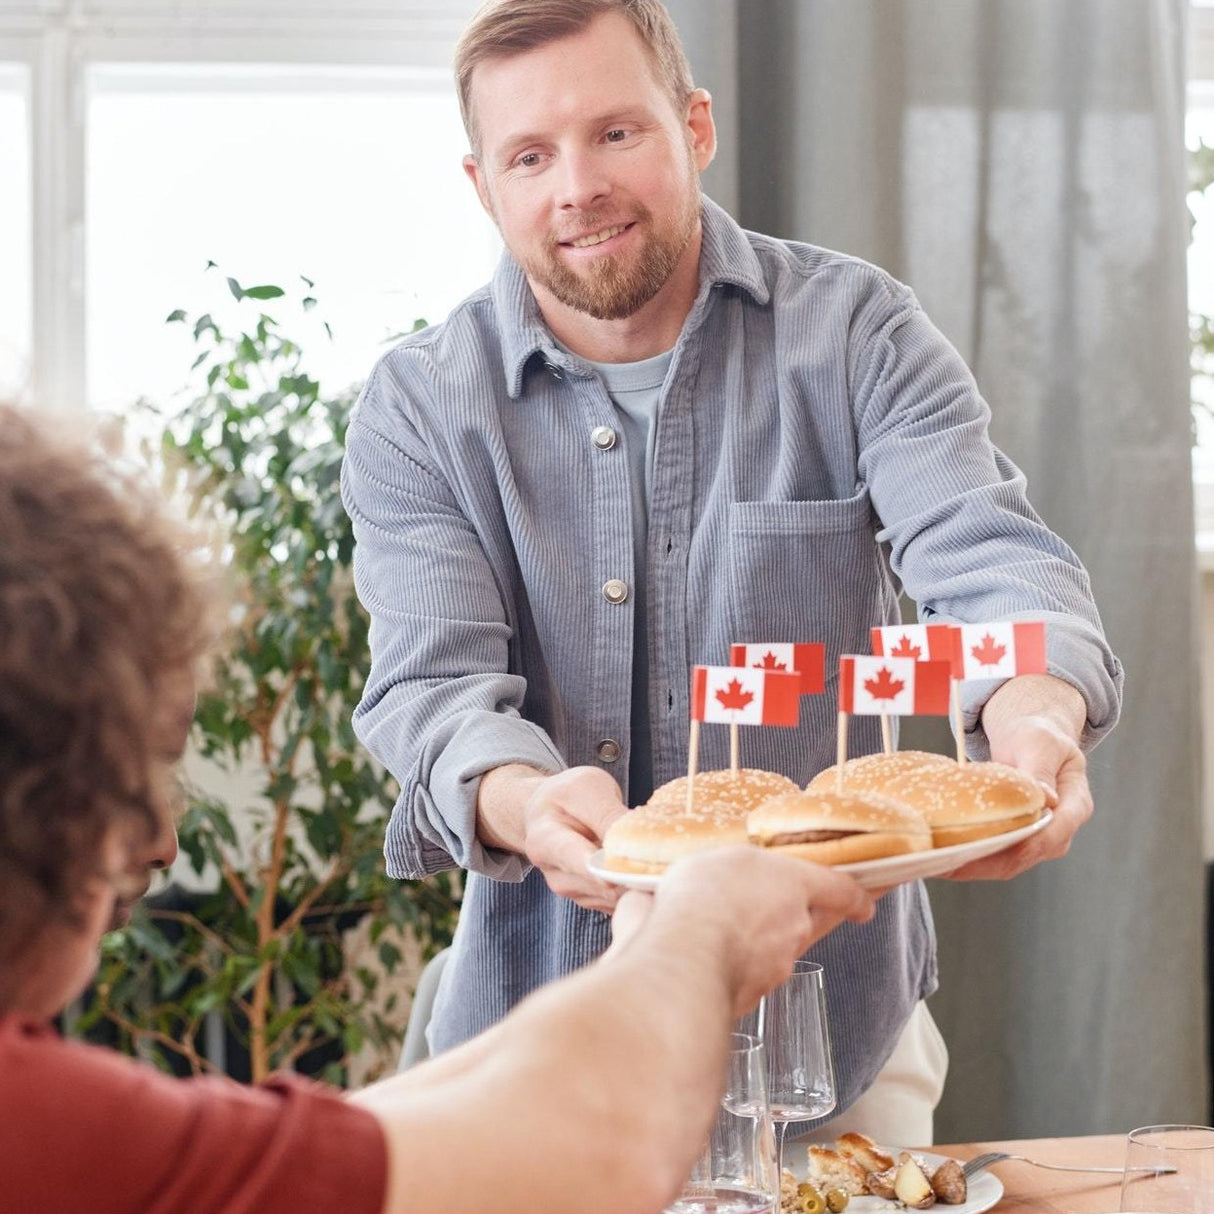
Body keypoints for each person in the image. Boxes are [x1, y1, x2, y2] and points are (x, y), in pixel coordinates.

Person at [340, 0, 1124, 1144]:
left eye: (616, 132)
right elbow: (432, 693)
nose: (576, 187)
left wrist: (1035, 715)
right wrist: (529, 799)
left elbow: (994, 565)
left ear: (693, 125)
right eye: (530, 154)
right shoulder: (417, 408)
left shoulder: (856, 333)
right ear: (482, 185)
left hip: (835, 1032)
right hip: (535, 1034)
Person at [0, 401, 874, 1213]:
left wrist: (650, 943)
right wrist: (703, 939)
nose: (159, 840)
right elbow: (593, 1151)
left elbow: (345, 1143)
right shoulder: (42, 1124)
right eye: (136, 775)